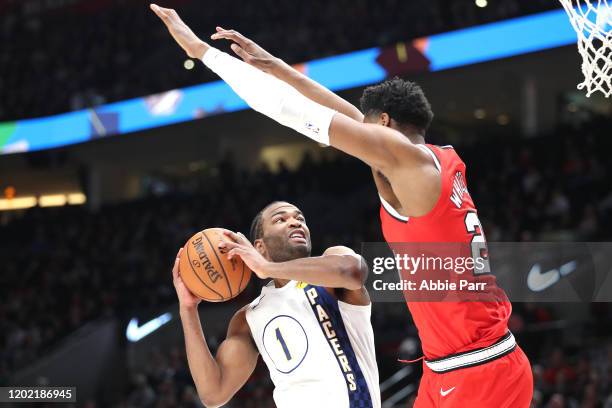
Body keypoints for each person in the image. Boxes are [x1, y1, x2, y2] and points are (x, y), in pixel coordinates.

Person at [151, 4, 532, 406]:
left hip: (477, 367)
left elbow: (293, 113)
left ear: (383, 125)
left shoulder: (404, 162)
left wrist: (202, 51)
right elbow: (337, 111)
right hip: (447, 366)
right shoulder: (425, 162)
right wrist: (277, 66)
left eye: (366, 127)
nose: (358, 133)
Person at [172, 201, 380, 408]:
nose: (295, 222)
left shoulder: (332, 266)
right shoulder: (249, 317)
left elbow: (353, 272)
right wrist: (188, 309)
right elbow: (213, 394)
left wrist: (267, 267)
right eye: (281, 219)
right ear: (259, 247)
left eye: (300, 218)